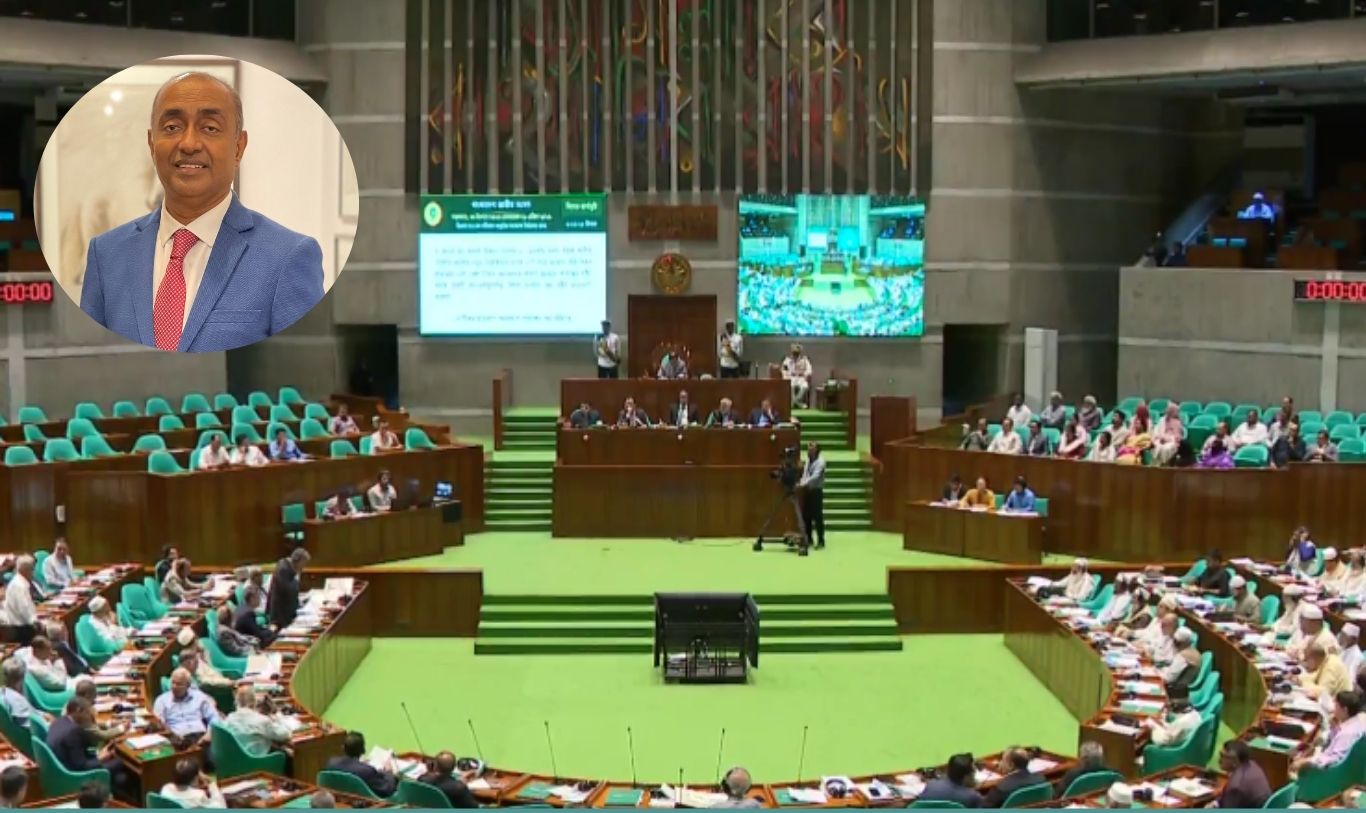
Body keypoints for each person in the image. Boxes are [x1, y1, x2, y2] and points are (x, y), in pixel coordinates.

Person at [79, 72, 324, 352]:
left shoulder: (287, 258)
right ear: (151, 143)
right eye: (172, 127)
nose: (189, 144)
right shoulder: (107, 254)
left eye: (210, 128)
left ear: (238, 147)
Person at [1294, 691, 1365, 772]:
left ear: (1345, 710)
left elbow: (1333, 760)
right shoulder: (1359, 719)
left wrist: (1305, 762)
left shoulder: (1348, 733)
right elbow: (1335, 743)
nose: (1333, 710)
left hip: (1334, 773)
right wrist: (1334, 728)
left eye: (1336, 706)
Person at [153, 667, 219, 747]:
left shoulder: (198, 696)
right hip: (178, 738)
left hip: (201, 737)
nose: (174, 686)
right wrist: (171, 734)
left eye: (179, 684)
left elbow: (214, 717)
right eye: (173, 683)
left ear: (188, 685)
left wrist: (209, 734)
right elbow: (158, 723)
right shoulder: (161, 700)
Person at [222, 685, 292, 757]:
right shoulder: (262, 720)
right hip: (258, 759)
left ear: (236, 702)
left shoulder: (229, 719)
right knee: (288, 753)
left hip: (235, 758)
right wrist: (276, 720)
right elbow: (285, 735)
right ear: (254, 702)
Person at [325, 731, 398, 798]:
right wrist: (389, 772)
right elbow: (387, 790)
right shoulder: (367, 771)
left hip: (339, 799)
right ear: (363, 750)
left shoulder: (331, 763)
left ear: (343, 748)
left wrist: (361, 764)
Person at [980, 748, 1046, 808]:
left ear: (1011, 765)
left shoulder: (1002, 787)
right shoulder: (1041, 779)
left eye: (1003, 760)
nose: (1000, 764)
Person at [1215, 739, 1271, 808]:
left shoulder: (1236, 786)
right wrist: (1216, 802)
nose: (1219, 760)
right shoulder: (1253, 765)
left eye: (1222, 756)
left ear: (1234, 761)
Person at [72, 679, 126, 745]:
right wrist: (121, 728)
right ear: (87, 695)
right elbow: (101, 736)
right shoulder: (81, 713)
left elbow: (89, 725)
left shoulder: (73, 704)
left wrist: (109, 724)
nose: (94, 700)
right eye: (94, 696)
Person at [159, 757, 225, 808]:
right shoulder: (198, 796)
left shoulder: (165, 789)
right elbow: (220, 807)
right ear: (194, 779)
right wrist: (211, 783)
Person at [269, 548, 309, 629]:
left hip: (287, 612)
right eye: (304, 563)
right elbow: (288, 590)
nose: (304, 566)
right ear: (299, 560)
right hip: (280, 614)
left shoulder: (289, 567)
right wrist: (297, 577)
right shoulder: (283, 568)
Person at [798, 442, 826, 550]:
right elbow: (805, 474)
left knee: (818, 517)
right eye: (808, 448)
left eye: (811, 449)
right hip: (808, 491)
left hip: (816, 492)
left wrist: (803, 483)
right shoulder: (808, 460)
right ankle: (809, 539)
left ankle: (821, 541)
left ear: (816, 450)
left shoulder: (821, 462)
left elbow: (815, 476)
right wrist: (802, 482)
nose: (809, 450)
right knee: (806, 516)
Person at [3, 556, 38, 643]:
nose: (33, 573)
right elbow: (24, 609)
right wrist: (35, 622)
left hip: (22, 625)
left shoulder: (19, 582)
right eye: (32, 570)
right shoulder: (19, 586)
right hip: (20, 629)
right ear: (25, 570)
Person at [0, 658, 36, 728]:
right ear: (23, 675)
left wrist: (42, 714)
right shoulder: (17, 701)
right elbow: (34, 726)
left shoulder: (2, 692)